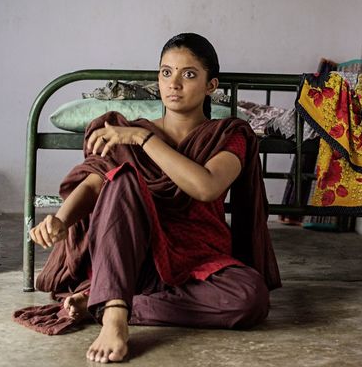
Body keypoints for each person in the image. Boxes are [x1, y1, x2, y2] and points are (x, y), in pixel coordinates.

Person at [26, 33, 281, 363]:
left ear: (210, 85)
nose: (174, 83)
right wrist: (61, 219)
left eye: (188, 74)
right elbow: (93, 185)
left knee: (251, 299)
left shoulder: (229, 134)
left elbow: (206, 187)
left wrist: (143, 139)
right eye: (166, 72)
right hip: (136, 256)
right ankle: (115, 315)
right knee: (122, 180)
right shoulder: (125, 132)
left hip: (198, 258)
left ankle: (102, 301)